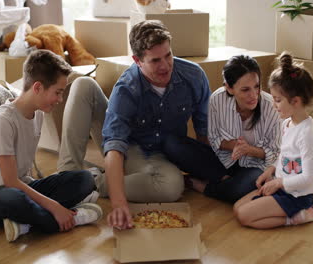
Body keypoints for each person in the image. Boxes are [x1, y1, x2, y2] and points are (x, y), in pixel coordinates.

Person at [57, 20, 211, 230]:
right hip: (128, 145)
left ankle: (92, 180)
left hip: (161, 153)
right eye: (155, 60)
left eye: (168, 55)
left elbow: (204, 129)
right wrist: (119, 204)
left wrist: (205, 171)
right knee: (83, 84)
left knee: (171, 187)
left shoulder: (194, 76)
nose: (165, 65)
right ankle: (68, 178)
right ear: (137, 60)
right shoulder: (126, 88)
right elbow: (114, 145)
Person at [0, 50, 103, 242]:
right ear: (37, 87)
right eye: (58, 92)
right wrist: (55, 206)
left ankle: (24, 224)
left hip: (24, 186)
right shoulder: (3, 121)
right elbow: (10, 182)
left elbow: (23, 180)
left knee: (84, 179)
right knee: (15, 199)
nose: (60, 99)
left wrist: (49, 200)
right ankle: (71, 217)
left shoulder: (39, 114)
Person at [163, 55, 281, 203]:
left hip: (255, 167)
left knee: (246, 186)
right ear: (229, 88)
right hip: (222, 161)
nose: (253, 95)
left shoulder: (271, 107)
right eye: (245, 89)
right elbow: (213, 139)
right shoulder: (217, 99)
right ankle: (224, 180)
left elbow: (276, 153)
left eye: (256, 86)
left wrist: (248, 150)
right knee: (171, 144)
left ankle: (204, 186)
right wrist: (233, 146)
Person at [233, 52, 313, 229]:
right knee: (238, 208)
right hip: (282, 187)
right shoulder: (287, 124)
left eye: (277, 100)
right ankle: (292, 210)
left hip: (297, 195)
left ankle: (301, 215)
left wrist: (278, 183)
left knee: (244, 217)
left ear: (296, 101)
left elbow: (308, 178)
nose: (273, 105)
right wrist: (270, 170)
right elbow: (284, 155)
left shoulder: (307, 133)